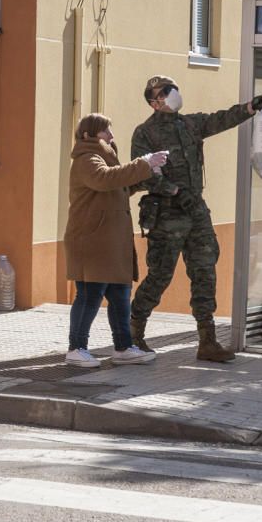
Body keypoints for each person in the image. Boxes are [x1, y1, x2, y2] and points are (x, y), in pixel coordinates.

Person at [130, 75, 262, 362]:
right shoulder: (144, 133)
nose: (173, 94)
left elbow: (220, 120)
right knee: (160, 275)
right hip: (167, 215)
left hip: (196, 213)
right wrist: (173, 190)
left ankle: (207, 341)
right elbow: (143, 172)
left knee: (205, 272)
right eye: (166, 91)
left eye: (174, 88)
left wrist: (250, 107)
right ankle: (133, 335)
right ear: (154, 101)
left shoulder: (189, 124)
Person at [64, 113, 169, 367]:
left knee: (121, 295)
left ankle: (123, 347)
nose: (111, 136)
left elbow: (117, 186)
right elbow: (104, 179)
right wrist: (142, 163)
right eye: (105, 132)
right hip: (93, 241)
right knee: (89, 295)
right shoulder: (87, 159)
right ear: (90, 135)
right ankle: (76, 348)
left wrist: (145, 173)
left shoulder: (103, 159)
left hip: (110, 243)